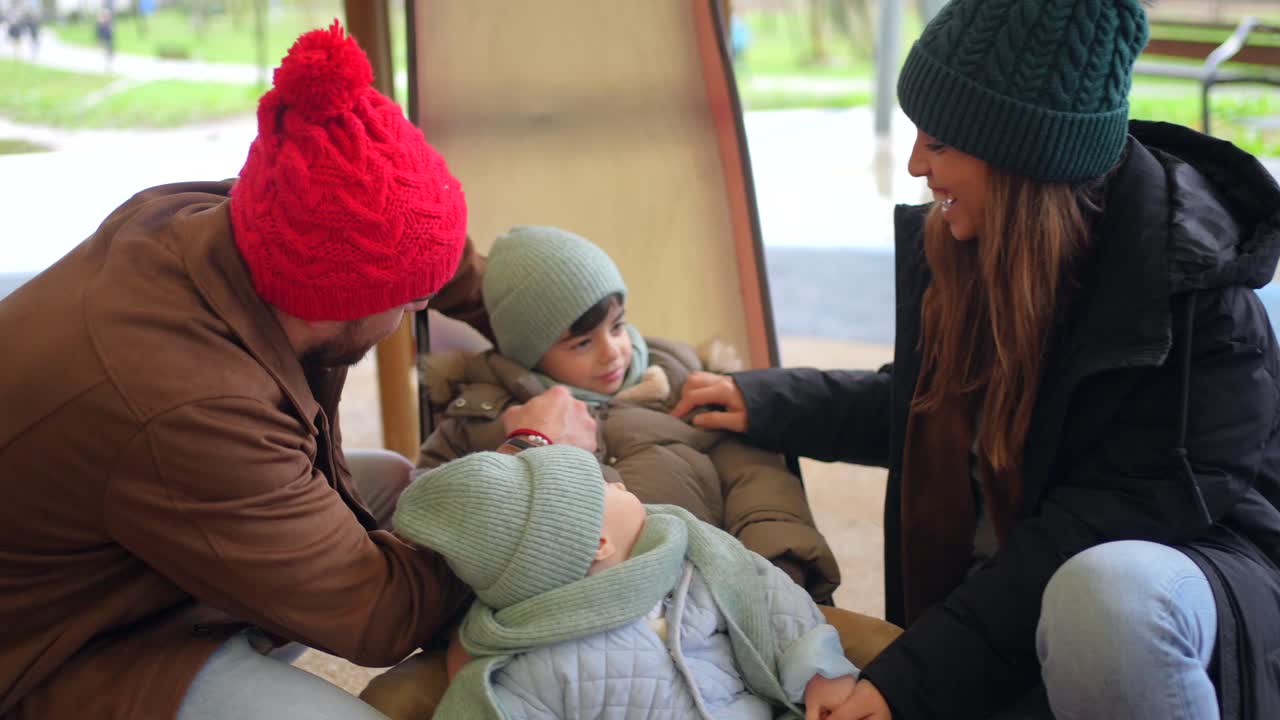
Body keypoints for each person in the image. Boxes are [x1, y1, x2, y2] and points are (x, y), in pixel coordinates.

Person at [672, 1, 1280, 718]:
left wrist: (905, 684)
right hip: (1023, 605)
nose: (914, 164)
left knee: (1105, 599)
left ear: (1021, 159)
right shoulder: (976, 250)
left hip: (1193, 587)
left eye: (939, 142)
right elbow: (926, 403)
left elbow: (1078, 537)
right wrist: (766, 400)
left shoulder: (1202, 317)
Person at [0, 21, 589, 720]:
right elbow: (380, 616)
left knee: (396, 486)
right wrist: (534, 464)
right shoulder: (188, 402)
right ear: (342, 305)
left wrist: (553, 325)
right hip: (58, 645)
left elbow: (405, 240)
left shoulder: (241, 220)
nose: (417, 309)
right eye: (410, 304)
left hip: (120, 553)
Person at [411, 224, 841, 602]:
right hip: (575, 618)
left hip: (719, 594)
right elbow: (429, 516)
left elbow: (754, 476)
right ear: (528, 354)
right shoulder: (480, 416)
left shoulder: (686, 380)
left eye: (616, 325)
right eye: (582, 343)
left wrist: (777, 567)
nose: (612, 351)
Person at [393, 444, 862, 718]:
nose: (618, 485)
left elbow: (770, 598)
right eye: (604, 488)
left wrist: (819, 673)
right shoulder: (535, 667)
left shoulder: (690, 560)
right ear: (599, 543)